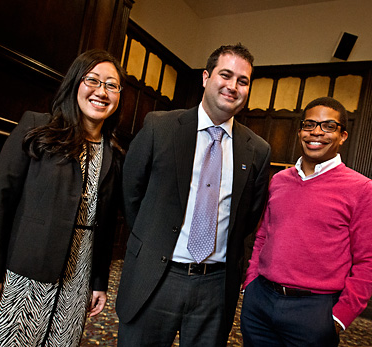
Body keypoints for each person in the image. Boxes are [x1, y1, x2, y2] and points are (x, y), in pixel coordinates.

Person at [116, 43, 271, 347]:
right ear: (205, 77)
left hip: (214, 287)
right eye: (225, 75)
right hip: (156, 277)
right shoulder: (159, 127)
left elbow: (249, 216)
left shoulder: (258, 150)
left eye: (243, 81)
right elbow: (130, 191)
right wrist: (152, 239)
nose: (233, 86)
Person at [0, 49, 126, 346]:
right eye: (92, 80)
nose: (101, 91)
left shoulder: (114, 153)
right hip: (24, 273)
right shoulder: (37, 127)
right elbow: (0, 201)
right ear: (74, 84)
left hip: (78, 279)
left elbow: (105, 229)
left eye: (111, 85)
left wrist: (98, 283)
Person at [241, 96, 372, 347]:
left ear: (343, 136)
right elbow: (264, 235)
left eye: (328, 126)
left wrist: (339, 318)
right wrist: (251, 282)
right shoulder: (279, 180)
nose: (316, 132)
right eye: (309, 124)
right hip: (260, 302)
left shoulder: (362, 189)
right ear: (300, 131)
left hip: (314, 311)